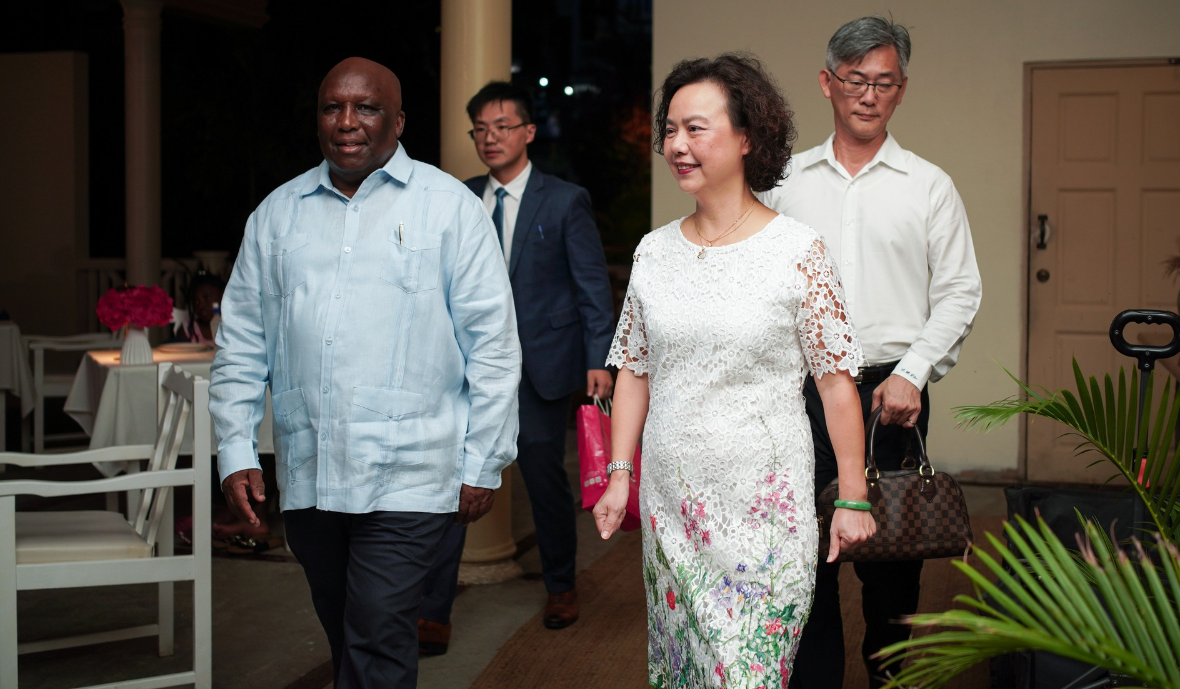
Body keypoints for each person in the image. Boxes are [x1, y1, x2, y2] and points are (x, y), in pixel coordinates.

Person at [208, 57, 521, 689]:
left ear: (398, 121)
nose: (347, 122)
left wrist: (483, 461)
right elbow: (242, 342)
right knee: (345, 628)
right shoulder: (277, 214)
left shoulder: (449, 208)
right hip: (311, 470)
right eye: (333, 107)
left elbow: (492, 345)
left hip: (412, 472)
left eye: (367, 108)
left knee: (378, 632)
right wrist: (236, 450)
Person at [593, 54, 876, 688]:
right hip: (672, 505)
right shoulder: (653, 252)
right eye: (670, 130)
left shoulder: (797, 251)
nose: (677, 145)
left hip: (764, 512)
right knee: (688, 672)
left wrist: (853, 495)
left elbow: (835, 383)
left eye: (696, 128)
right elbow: (635, 369)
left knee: (747, 672)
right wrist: (619, 474)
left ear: (747, 137)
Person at [762, 16, 982, 688]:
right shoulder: (783, 183)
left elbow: (960, 291)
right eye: (855, 79)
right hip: (800, 395)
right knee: (806, 556)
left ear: (901, 90)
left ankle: (888, 676)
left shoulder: (929, 185)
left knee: (892, 562)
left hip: (893, 395)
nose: (869, 94)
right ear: (826, 82)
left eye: (884, 82)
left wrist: (913, 372)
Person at [418, 81, 615, 649]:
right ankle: (433, 612)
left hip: (540, 367)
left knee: (544, 481)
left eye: (502, 127)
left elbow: (590, 285)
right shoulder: (459, 197)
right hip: (466, 370)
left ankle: (561, 585)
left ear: (528, 132)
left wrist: (598, 358)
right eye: (480, 129)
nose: (490, 138)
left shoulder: (564, 199)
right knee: (453, 482)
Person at [170, 272, 223, 344]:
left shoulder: (233, 326)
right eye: (196, 301)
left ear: (222, 296)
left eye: (207, 298)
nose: (201, 305)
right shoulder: (187, 330)